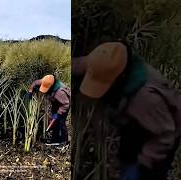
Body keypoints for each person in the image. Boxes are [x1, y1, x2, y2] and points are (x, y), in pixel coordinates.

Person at [74, 41, 181, 180]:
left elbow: (166, 134)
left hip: (164, 132)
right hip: (138, 119)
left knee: (150, 172)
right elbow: (83, 64)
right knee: (128, 152)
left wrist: (143, 163)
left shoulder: (145, 99)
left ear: (119, 79)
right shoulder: (109, 61)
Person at [26, 74, 71, 146]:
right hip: (56, 102)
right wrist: (30, 91)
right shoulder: (45, 81)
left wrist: (57, 114)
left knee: (60, 122)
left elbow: (66, 104)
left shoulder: (59, 92)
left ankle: (63, 141)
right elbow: (34, 83)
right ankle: (54, 139)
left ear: (51, 86)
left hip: (64, 105)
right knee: (54, 121)